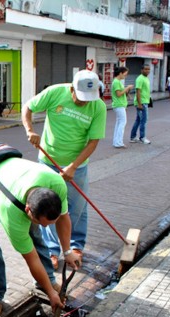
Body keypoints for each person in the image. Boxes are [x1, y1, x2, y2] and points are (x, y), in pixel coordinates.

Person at [0, 156, 79, 317]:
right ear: (28, 210)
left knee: (36, 233)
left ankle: (46, 279)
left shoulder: (57, 184)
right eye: (42, 222)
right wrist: (51, 293)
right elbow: (31, 259)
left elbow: (63, 218)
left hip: (13, 180)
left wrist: (68, 252)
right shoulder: (11, 212)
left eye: (49, 223)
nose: (46, 227)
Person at [22, 69, 107, 270]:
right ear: (71, 89)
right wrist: (30, 130)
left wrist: (73, 166)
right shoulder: (54, 93)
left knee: (77, 206)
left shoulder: (98, 107)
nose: (84, 102)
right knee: (52, 206)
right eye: (80, 97)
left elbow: (94, 141)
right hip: (48, 160)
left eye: (89, 98)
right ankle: (52, 250)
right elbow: (28, 107)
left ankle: (76, 246)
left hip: (77, 164)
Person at [111, 67, 134, 148]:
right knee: (122, 123)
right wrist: (127, 88)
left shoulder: (117, 82)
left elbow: (121, 93)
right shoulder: (116, 82)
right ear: (120, 73)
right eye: (125, 74)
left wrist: (127, 90)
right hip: (119, 105)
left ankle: (116, 141)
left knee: (119, 123)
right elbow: (119, 94)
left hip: (120, 105)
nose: (126, 76)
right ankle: (118, 142)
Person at [129, 64, 152, 144]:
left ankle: (132, 137)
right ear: (142, 70)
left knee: (138, 120)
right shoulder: (140, 79)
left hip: (145, 101)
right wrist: (139, 104)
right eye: (145, 69)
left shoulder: (146, 78)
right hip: (141, 102)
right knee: (143, 120)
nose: (147, 71)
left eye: (148, 69)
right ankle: (142, 137)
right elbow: (138, 91)